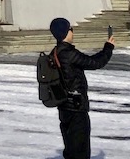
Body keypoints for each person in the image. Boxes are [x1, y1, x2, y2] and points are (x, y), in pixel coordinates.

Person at [49, 16, 115, 159]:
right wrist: (108, 48)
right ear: (65, 33)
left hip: (64, 107)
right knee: (80, 151)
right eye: (70, 29)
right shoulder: (69, 54)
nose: (73, 32)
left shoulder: (55, 53)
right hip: (76, 108)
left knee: (71, 149)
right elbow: (95, 62)